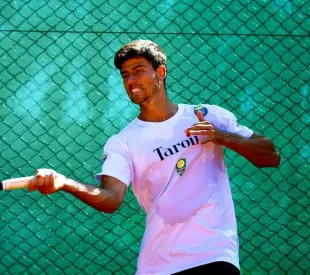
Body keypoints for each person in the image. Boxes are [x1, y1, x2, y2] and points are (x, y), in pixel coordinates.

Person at [28, 40, 280, 275]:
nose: (131, 80)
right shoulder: (122, 142)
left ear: (160, 72)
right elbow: (111, 198)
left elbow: (270, 155)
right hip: (157, 266)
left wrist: (221, 136)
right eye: (125, 75)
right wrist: (63, 182)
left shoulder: (208, 115)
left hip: (214, 256)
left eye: (138, 70)